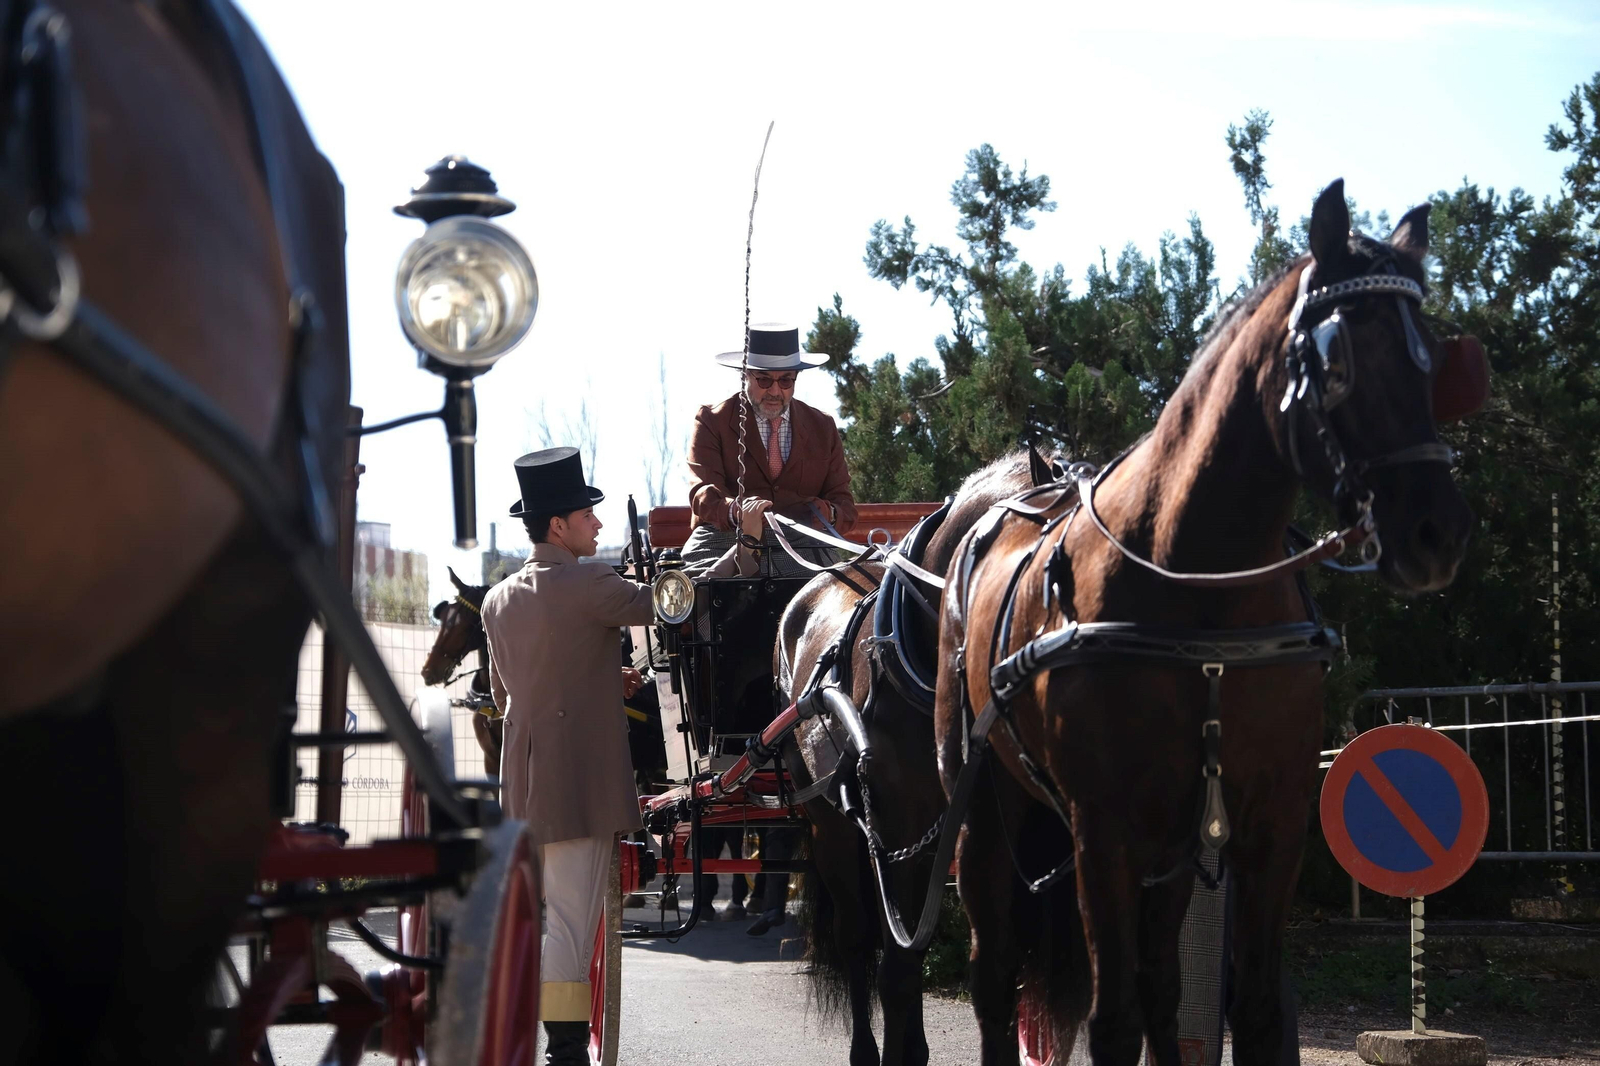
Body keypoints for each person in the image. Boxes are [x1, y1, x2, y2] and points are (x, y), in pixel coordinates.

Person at [480, 447, 653, 1066]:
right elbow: (666, 605)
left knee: (555, 919)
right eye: (588, 516)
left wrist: (606, 679)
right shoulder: (593, 583)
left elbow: (511, 693)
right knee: (573, 929)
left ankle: (554, 1042)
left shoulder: (497, 600)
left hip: (523, 787)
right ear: (559, 525)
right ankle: (564, 1052)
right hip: (579, 785)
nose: (598, 526)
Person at [684, 323, 858, 575]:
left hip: (803, 545)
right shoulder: (712, 420)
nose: (775, 391)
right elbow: (702, 494)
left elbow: (844, 505)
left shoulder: (822, 426)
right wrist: (737, 512)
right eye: (764, 379)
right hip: (723, 540)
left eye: (786, 380)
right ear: (744, 374)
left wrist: (828, 514)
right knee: (699, 595)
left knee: (843, 597)